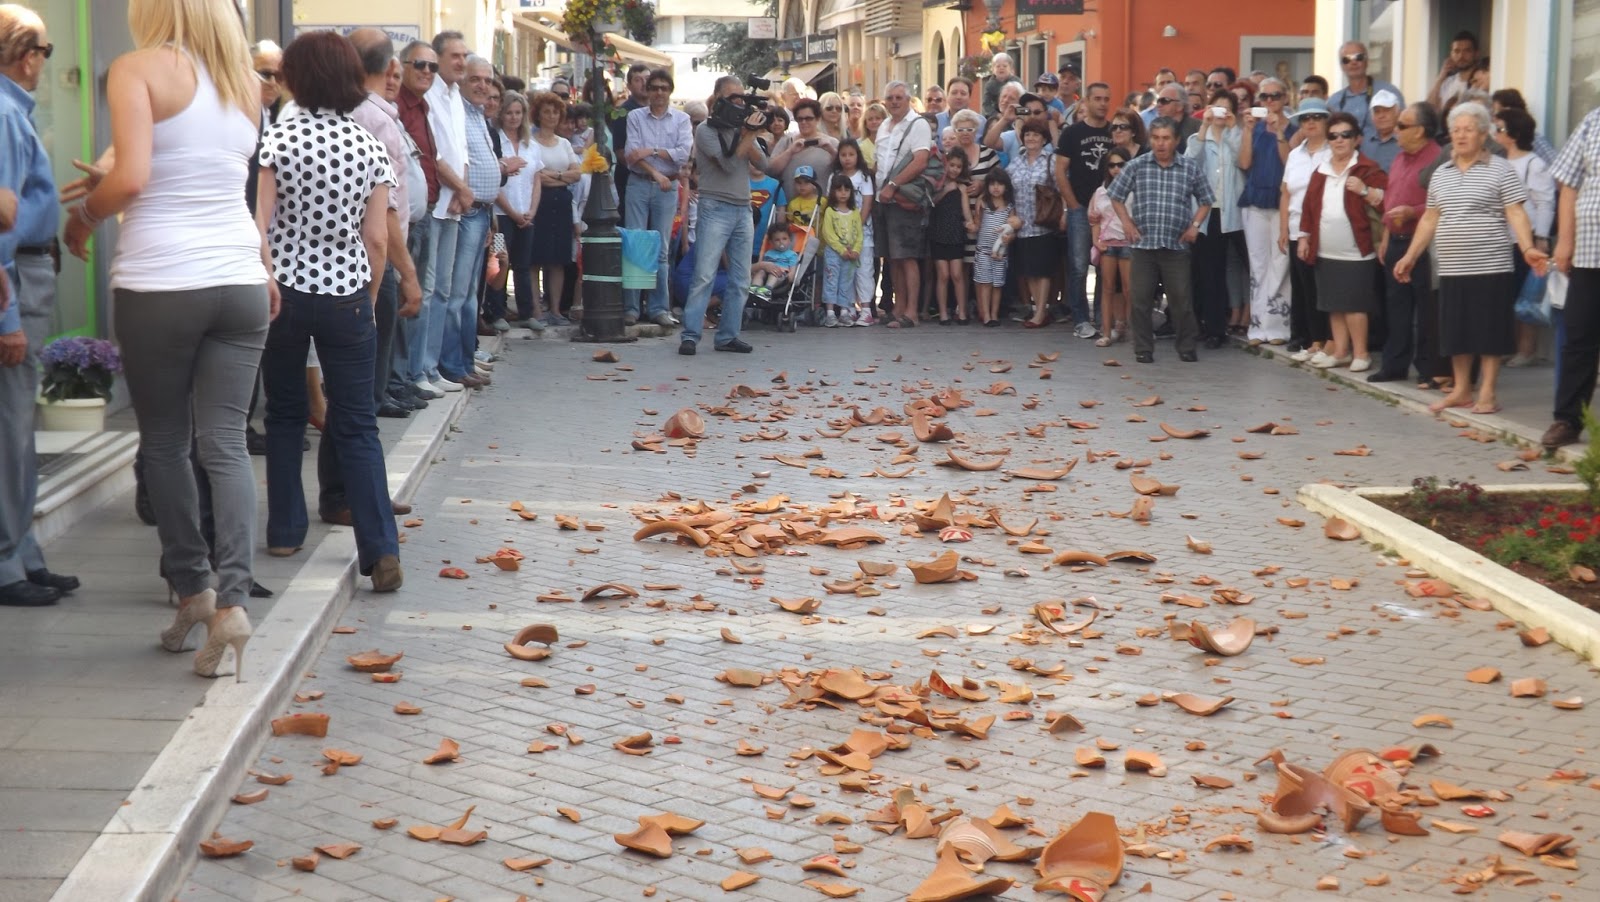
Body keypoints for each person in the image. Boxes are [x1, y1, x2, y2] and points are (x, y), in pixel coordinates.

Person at [59, 0, 267, 658]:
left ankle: (192, 590)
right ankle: (233, 601)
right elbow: (189, 162)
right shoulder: (245, 85)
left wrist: (85, 218)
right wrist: (117, 173)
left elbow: (135, 177)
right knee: (227, 446)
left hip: (161, 280)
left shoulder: (136, 68)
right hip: (239, 280)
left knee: (166, 444)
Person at [256, 31, 402, 597]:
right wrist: (364, 300)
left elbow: (261, 225)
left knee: (287, 413)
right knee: (357, 422)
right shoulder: (368, 147)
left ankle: (285, 531)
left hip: (284, 293)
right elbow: (377, 239)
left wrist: (270, 278)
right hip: (345, 295)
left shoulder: (277, 141)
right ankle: (381, 549)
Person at [1394, 102, 1547, 415]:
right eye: (1455, 130)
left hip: (1491, 264)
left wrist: (1527, 247)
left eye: (1468, 129)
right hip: (1451, 266)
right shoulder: (1442, 174)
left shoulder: (1501, 169)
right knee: (1456, 330)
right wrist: (1411, 255)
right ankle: (1462, 389)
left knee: (1489, 331)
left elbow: (1515, 211)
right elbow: (1429, 219)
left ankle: (1487, 392)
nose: (1461, 136)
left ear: (1482, 134)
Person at [0, 4, 77, 607]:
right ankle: (8, 562)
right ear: (27, 57)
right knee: (10, 426)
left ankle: (22, 552)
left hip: (28, 268)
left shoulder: (11, 113)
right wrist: (5, 320)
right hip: (16, 279)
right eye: (46, 52)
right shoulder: (4, 113)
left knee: (18, 424)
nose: (46, 64)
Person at [1108, 117, 1215, 364]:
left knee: (1181, 300)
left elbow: (1206, 199)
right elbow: (1116, 195)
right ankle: (1143, 349)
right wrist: (1126, 222)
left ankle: (1186, 346)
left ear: (1176, 141)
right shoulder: (1137, 165)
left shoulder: (1189, 167)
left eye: (1166, 138)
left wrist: (1195, 226)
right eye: (1156, 138)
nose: (1160, 143)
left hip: (1176, 246)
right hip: (1144, 246)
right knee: (1140, 300)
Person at [680, 75, 766, 356]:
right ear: (717, 98)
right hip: (715, 206)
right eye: (732, 97)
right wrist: (748, 134)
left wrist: (749, 132)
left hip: (742, 207)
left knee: (741, 278)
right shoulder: (706, 130)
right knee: (704, 274)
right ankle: (690, 335)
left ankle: (728, 336)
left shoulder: (740, 129)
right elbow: (729, 166)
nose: (739, 102)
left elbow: (763, 162)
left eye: (741, 97)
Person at [1297, 110, 1388, 372]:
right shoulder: (1321, 171)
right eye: (1334, 136)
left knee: (1355, 305)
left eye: (1345, 135)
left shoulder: (1368, 169)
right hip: (1326, 250)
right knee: (1333, 305)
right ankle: (1341, 351)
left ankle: (1361, 353)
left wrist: (1364, 190)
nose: (1339, 140)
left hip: (1357, 251)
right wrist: (1305, 237)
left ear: (1357, 139)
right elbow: (1309, 207)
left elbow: (1387, 202)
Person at [434, 55, 502, 389]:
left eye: (487, 80)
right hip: (465, 210)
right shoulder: (457, 111)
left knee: (470, 296)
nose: (482, 86)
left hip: (482, 212)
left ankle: (463, 360)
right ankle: (452, 364)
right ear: (462, 80)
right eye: (476, 78)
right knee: (457, 294)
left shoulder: (476, 114)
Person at [1370, 101, 1445, 386]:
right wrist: (1386, 237)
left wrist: (1413, 211)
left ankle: (1428, 369)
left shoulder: (1437, 159)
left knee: (1426, 309)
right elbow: (1391, 198)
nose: (1396, 130)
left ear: (1421, 131)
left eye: (1402, 125)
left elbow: (1440, 203)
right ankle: (1394, 365)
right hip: (1397, 239)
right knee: (1396, 307)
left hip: (1424, 242)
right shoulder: (1400, 158)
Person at [417, 30, 470, 395]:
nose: (461, 63)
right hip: (436, 203)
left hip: (454, 202)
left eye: (464, 56)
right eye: (454, 56)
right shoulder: (430, 95)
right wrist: (460, 189)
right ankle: (419, 368)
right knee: (428, 288)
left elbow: (460, 151)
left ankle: (433, 367)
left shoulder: (456, 96)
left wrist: (462, 190)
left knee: (445, 289)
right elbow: (432, 154)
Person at [1546, 103, 1600, 450]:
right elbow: (1568, 184)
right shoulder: (1593, 121)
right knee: (1579, 337)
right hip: (1589, 251)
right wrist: (1565, 241)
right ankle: (1567, 420)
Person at [623, 67, 690, 329]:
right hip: (640, 183)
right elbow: (631, 154)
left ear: (670, 91)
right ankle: (631, 307)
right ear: (647, 91)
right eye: (654, 88)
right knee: (635, 244)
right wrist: (656, 169)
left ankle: (658, 307)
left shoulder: (681, 119)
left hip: (668, 186)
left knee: (661, 248)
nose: (659, 92)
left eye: (664, 88)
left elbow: (683, 154)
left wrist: (650, 151)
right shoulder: (636, 117)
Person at [1493, 107, 1555, 369]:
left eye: (1500, 129)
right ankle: (1509, 345)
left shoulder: (1534, 164)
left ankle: (1526, 349)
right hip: (1500, 238)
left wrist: (1540, 237)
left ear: (1515, 134)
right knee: (1505, 294)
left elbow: (1545, 203)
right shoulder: (1498, 161)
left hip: (1523, 239)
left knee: (1525, 294)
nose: (1495, 133)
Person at [1054, 81, 1114, 338]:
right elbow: (1059, 170)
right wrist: (1073, 204)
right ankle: (1080, 318)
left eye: (1106, 99)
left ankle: (1103, 316)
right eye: (1097, 98)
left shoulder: (1115, 132)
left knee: (1106, 265)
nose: (1102, 103)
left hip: (1109, 210)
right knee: (1079, 265)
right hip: (1080, 208)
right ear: (1087, 102)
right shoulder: (1072, 133)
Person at [1186, 92, 1246, 346]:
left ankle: (1248, 319)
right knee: (1209, 273)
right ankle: (1212, 328)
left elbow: (1242, 161)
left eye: (1226, 108)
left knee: (1244, 265)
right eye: (1217, 108)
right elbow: (1190, 163)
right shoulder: (1197, 137)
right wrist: (1204, 126)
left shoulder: (1239, 136)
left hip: (1234, 211)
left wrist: (1232, 131)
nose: (1221, 113)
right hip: (1207, 213)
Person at [1238, 77, 1295, 344]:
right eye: (1264, 97)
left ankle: (1278, 327)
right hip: (1255, 200)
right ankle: (1258, 325)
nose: (1269, 102)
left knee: (1280, 263)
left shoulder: (1294, 127)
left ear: (1285, 98)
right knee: (1258, 265)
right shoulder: (1254, 128)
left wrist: (1279, 133)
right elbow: (1244, 163)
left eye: (1275, 96)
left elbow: (1290, 163)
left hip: (1281, 200)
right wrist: (1248, 131)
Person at [875, 81, 934, 329]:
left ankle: (911, 312)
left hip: (902, 198)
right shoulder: (883, 125)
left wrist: (893, 185)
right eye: (890, 97)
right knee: (893, 258)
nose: (894, 101)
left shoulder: (918, 124)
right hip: (883, 199)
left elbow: (920, 161)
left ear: (909, 99)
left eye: (899, 97)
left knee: (908, 256)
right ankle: (898, 309)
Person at [528, 90, 581, 325]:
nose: (551, 116)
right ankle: (537, 310)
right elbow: (535, 175)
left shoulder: (565, 143)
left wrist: (555, 175)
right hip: (539, 201)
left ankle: (556, 309)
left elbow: (577, 174)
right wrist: (562, 176)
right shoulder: (529, 142)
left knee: (558, 259)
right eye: (546, 112)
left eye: (555, 112)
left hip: (561, 202)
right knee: (535, 258)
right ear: (538, 114)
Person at [492, 90, 544, 327]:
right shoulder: (497, 141)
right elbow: (495, 183)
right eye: (509, 113)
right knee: (500, 260)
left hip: (526, 215)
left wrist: (532, 210)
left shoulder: (530, 145)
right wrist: (512, 212)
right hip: (501, 215)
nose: (513, 118)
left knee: (524, 264)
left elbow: (537, 179)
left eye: (518, 113)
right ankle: (496, 312)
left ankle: (527, 312)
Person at [1007, 120, 1060, 329]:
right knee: (1029, 270)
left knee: (1042, 269)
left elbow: (1060, 187)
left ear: (1044, 139)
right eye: (1028, 134)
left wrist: (1064, 213)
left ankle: (1040, 312)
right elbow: (1006, 187)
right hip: (1022, 223)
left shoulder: (1051, 160)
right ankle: (1038, 308)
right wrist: (1011, 216)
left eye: (1036, 135)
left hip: (1043, 222)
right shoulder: (1016, 162)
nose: (1031, 138)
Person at [1089, 148, 1133, 346]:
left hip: (1128, 243)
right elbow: (1094, 220)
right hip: (1108, 244)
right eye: (1112, 165)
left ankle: (1134, 333)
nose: (1116, 169)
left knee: (1129, 289)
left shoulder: (1135, 189)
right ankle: (1106, 332)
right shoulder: (1100, 191)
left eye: (1121, 164)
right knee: (1107, 289)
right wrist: (1096, 241)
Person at [767, 97, 838, 211]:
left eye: (808, 118)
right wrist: (790, 151)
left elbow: (844, 169)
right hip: (790, 210)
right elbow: (771, 170)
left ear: (818, 119)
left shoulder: (832, 142)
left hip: (821, 210)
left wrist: (830, 150)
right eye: (800, 119)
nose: (804, 122)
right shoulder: (787, 141)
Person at [928, 151, 974, 324]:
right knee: (943, 275)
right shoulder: (937, 184)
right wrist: (946, 190)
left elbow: (966, 212)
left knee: (957, 274)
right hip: (938, 232)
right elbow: (930, 203)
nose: (954, 170)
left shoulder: (962, 188)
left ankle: (961, 311)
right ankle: (943, 313)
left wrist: (970, 223)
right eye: (951, 165)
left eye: (958, 166)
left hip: (955, 233)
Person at [834, 139, 875, 324]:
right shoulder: (834, 177)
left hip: (862, 233)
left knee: (864, 269)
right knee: (845, 271)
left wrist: (856, 228)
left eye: (851, 154)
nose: (847, 158)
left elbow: (867, 203)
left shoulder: (864, 177)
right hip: (840, 235)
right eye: (843, 155)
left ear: (857, 156)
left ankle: (865, 309)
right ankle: (847, 307)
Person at [1329, 41, 1403, 142]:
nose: (1353, 62)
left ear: (1367, 61)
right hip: (1346, 156)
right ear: (1341, 66)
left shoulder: (1388, 92)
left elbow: (1403, 127)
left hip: (1382, 155)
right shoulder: (1334, 101)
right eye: (1347, 59)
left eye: (1358, 57)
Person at [972, 167, 1018, 327]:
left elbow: (1012, 228)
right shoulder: (983, 202)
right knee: (985, 283)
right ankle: (985, 315)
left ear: (1006, 186)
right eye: (992, 184)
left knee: (997, 284)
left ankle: (994, 314)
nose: (996, 188)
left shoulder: (1009, 206)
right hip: (983, 250)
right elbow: (977, 224)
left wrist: (1009, 237)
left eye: (1000, 184)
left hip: (1001, 252)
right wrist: (970, 225)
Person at [818, 173, 864, 327]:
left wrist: (856, 249)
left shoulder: (855, 212)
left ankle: (844, 311)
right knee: (831, 280)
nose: (843, 193)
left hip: (850, 254)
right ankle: (830, 312)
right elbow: (828, 233)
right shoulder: (831, 211)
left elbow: (859, 233)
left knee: (847, 281)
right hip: (834, 253)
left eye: (846, 190)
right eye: (839, 190)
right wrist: (840, 249)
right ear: (833, 192)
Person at [610, 63, 649, 220]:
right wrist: (646, 170)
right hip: (631, 179)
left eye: (647, 79)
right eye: (638, 80)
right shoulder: (623, 112)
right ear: (629, 86)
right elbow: (620, 152)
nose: (644, 84)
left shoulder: (658, 110)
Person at [1428, 31, 1479, 113]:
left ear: (1476, 54)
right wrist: (1440, 78)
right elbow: (1429, 109)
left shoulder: (1480, 82)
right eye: (1456, 51)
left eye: (1467, 51)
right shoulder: (1448, 82)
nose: (1461, 56)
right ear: (1451, 54)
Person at [749, 223, 798, 294]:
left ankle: (767, 289)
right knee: (760, 272)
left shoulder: (791, 254)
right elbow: (764, 264)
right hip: (767, 272)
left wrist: (791, 275)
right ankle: (754, 287)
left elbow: (793, 268)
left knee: (774, 274)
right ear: (771, 242)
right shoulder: (768, 253)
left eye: (784, 239)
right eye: (777, 240)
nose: (781, 242)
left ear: (789, 240)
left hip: (781, 275)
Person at [1363, 89, 1403, 172]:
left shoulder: (1405, 140)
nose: (1381, 116)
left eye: (1386, 110)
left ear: (1398, 113)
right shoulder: (1365, 141)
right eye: (1377, 112)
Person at [983, 53, 1014, 117]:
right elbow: (986, 104)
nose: (1001, 68)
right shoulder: (990, 85)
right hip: (995, 116)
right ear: (993, 69)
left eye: (1005, 66)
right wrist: (996, 114)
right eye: (998, 66)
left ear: (1011, 68)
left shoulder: (1016, 82)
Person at [856, 102, 886, 169]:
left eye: (878, 118)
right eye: (870, 119)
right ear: (865, 123)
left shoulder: (892, 141)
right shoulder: (861, 146)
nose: (874, 122)